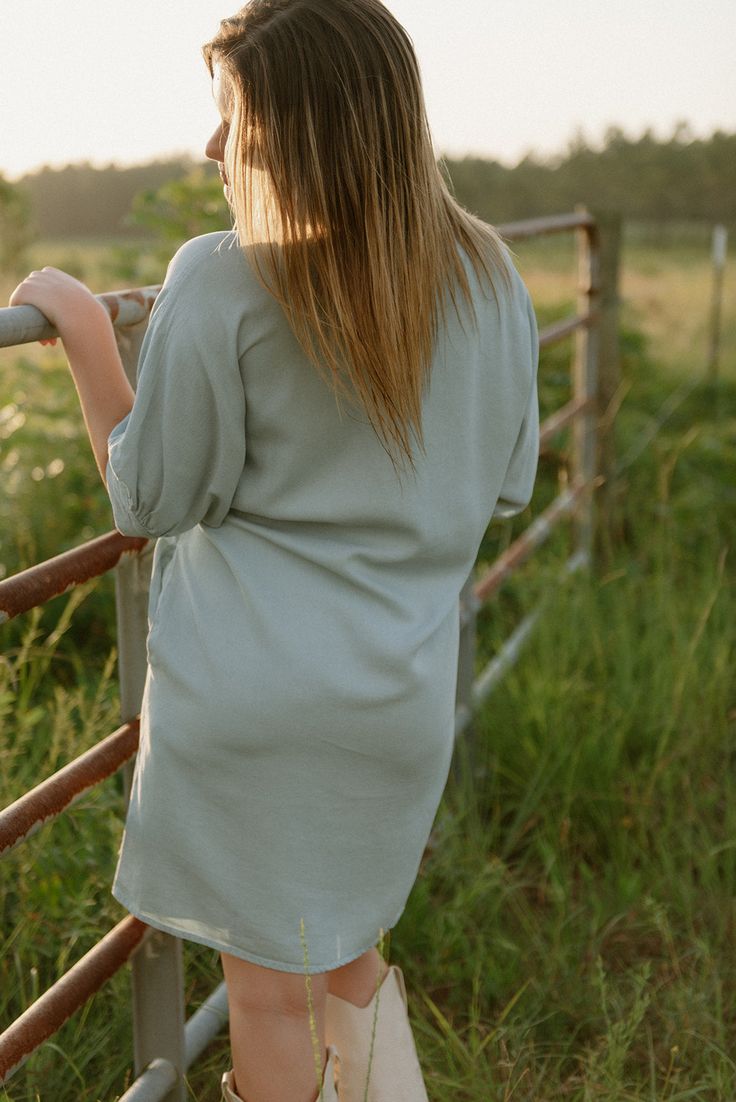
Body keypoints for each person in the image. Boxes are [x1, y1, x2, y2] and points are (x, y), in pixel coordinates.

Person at [10, 1, 539, 1099]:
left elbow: (147, 496)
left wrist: (85, 330)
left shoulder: (224, 276)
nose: (212, 152)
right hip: (395, 700)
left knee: (267, 995)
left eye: (234, 124)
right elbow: (506, 481)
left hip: (251, 713)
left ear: (313, 133)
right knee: (342, 961)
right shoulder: (490, 276)